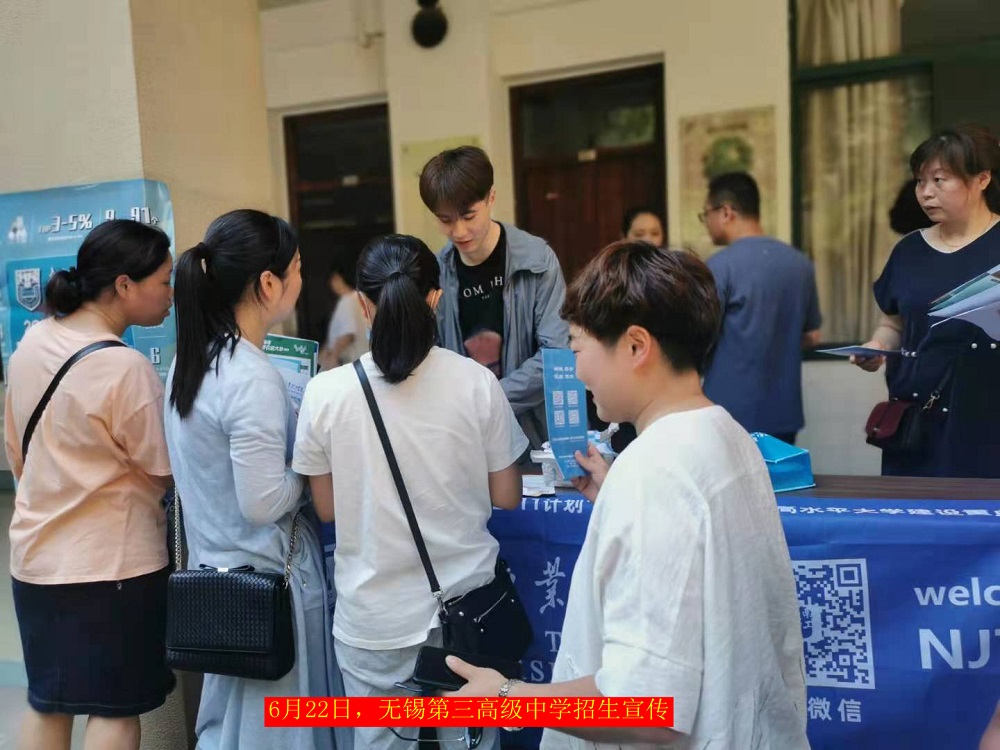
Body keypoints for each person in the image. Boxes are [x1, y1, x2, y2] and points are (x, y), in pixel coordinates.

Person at [447, 241, 808, 749]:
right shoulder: (725, 432)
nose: (577, 372)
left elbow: (647, 710)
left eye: (578, 349)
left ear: (636, 346)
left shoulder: (653, 476)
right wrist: (616, 499)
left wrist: (507, 696)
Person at [292, 234, 527, 750]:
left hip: (373, 621)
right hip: (466, 614)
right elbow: (507, 495)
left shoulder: (324, 394)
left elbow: (326, 509)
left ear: (362, 304)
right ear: (435, 298)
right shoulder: (476, 383)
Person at [164, 209, 348, 750]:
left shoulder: (191, 362)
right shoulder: (251, 376)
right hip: (271, 587)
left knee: (234, 728)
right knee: (281, 731)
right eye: (297, 268)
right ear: (268, 284)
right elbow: (263, 502)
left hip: (217, 580)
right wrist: (312, 469)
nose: (300, 278)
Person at [4, 220, 175, 750]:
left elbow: (17, 452)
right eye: (164, 281)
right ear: (125, 285)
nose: (171, 295)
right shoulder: (125, 368)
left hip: (35, 562)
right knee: (113, 712)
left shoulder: (32, 344)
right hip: (112, 569)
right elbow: (163, 471)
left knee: (49, 703)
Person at [853, 125, 1000, 477]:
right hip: (916, 423)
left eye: (939, 180)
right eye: (921, 181)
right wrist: (877, 346)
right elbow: (894, 323)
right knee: (913, 506)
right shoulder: (908, 251)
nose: (926, 193)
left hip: (987, 422)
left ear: (982, 179)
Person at [419, 145, 569, 448]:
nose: (459, 231)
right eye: (446, 220)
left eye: (469, 216)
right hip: (464, 439)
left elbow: (556, 354)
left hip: (532, 435)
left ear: (491, 198)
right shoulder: (435, 274)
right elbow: (429, 357)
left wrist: (486, 400)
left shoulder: (538, 261)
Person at [700, 172, 822, 444]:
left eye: (706, 214)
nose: (706, 222)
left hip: (728, 413)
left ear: (726, 212)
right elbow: (812, 336)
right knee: (777, 474)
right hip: (784, 414)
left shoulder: (720, 266)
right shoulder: (800, 264)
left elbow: (699, 337)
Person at [320, 255, 368, 371]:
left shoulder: (348, 300)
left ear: (338, 278)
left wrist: (333, 356)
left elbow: (348, 333)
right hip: (362, 363)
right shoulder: (362, 298)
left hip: (349, 364)